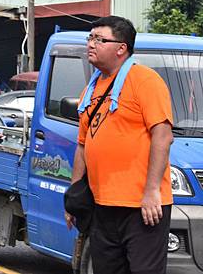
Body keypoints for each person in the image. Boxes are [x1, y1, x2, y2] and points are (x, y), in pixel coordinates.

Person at [65, 16, 174, 274]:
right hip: (102, 206)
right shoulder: (90, 90)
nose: (91, 44)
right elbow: (83, 146)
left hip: (141, 206)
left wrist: (151, 192)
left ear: (121, 48)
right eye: (90, 38)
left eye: (99, 39)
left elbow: (163, 136)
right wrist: (73, 200)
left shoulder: (145, 81)